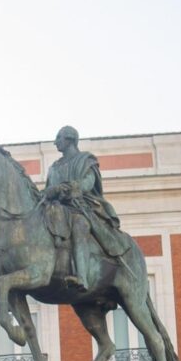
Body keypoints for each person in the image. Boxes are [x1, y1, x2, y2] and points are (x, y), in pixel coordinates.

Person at [42, 125, 125, 293]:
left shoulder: (86, 160)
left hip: (80, 208)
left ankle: (82, 277)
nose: (55, 142)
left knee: (79, 227)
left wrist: (67, 189)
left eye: (59, 138)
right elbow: (48, 189)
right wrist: (49, 192)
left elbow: (87, 183)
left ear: (70, 139)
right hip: (56, 209)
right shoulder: (54, 168)